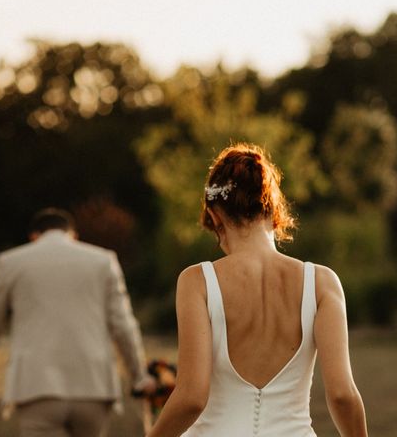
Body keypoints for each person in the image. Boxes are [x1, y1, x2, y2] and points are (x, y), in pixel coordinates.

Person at [147, 143, 368, 437]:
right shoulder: (322, 282)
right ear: (273, 208)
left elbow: (191, 398)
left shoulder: (197, 281)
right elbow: (342, 395)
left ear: (214, 216)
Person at [0, 208, 155, 437]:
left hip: (36, 386)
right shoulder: (104, 261)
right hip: (93, 386)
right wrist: (139, 378)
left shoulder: (11, 262)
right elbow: (123, 325)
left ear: (34, 237)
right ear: (73, 235)